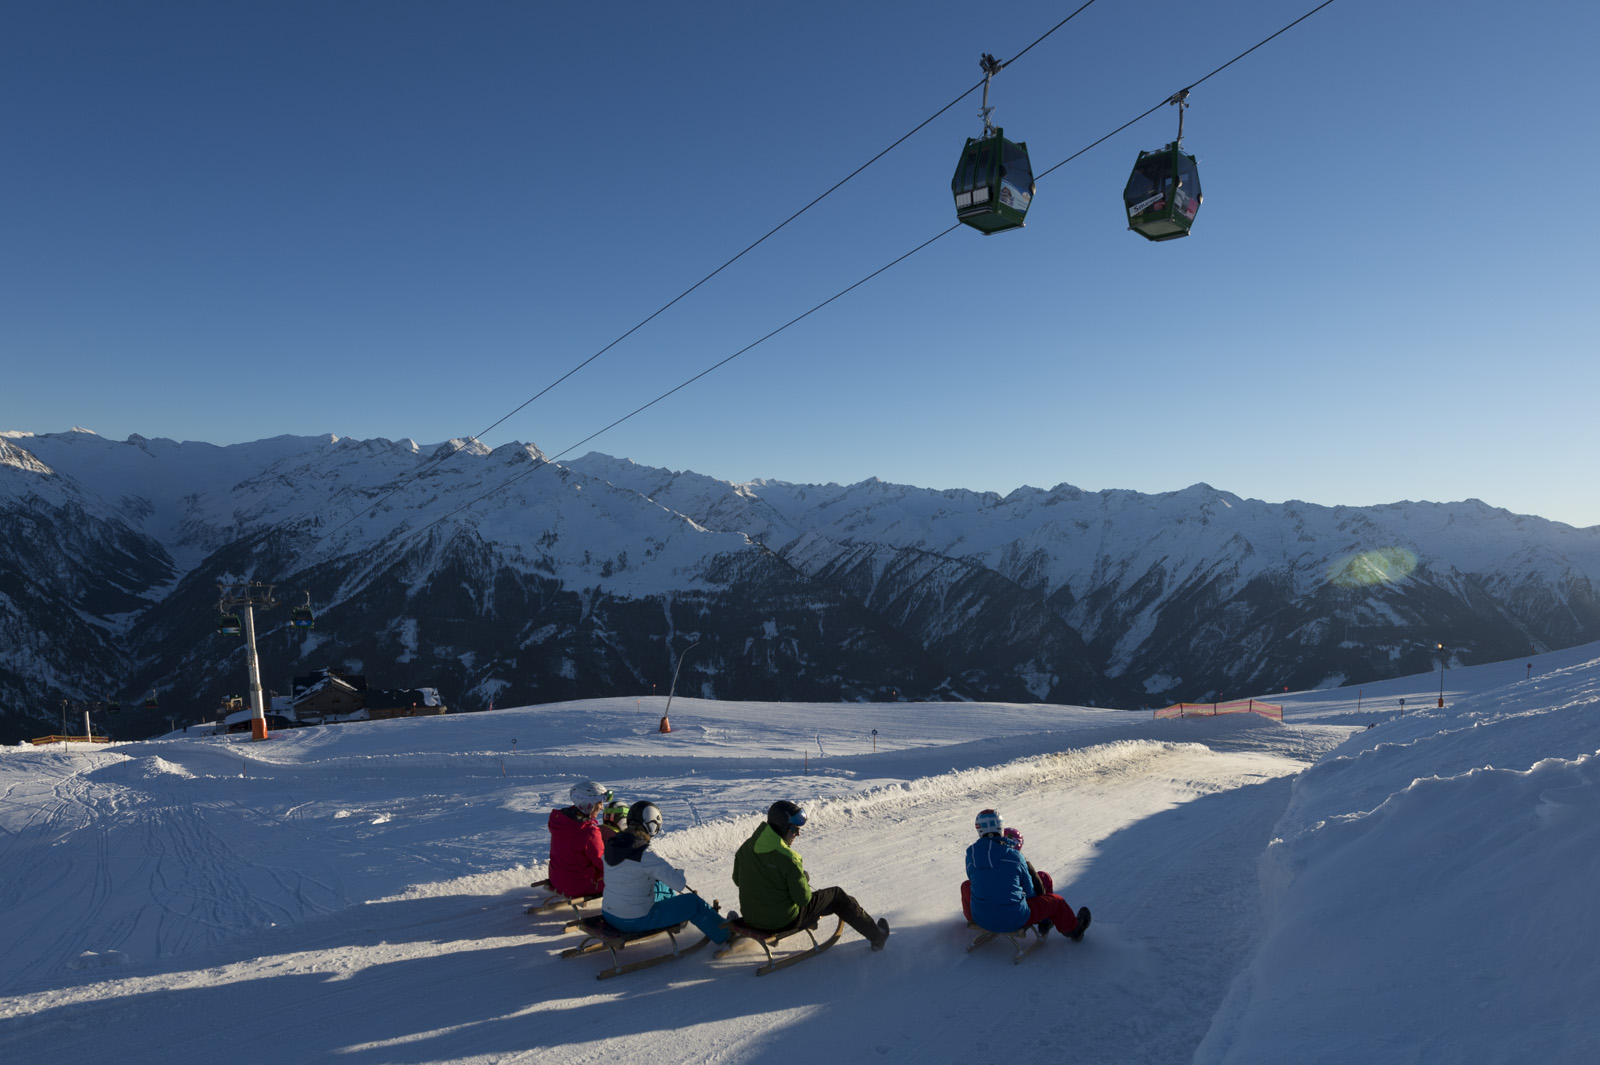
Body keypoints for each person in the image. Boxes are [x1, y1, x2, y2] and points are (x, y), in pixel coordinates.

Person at [731, 800, 890, 950]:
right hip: (782, 922)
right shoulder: (788, 858)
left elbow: (737, 880)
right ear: (781, 827)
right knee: (837, 896)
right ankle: (877, 936)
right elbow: (803, 899)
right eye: (794, 829)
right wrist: (803, 880)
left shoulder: (746, 847)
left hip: (751, 917)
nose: (798, 834)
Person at [601, 801, 730, 944]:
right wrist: (675, 872)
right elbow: (679, 884)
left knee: (662, 889)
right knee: (693, 902)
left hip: (609, 914)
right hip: (633, 921)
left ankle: (677, 915)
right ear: (651, 825)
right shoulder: (645, 854)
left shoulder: (612, 844)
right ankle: (727, 936)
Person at [963, 808, 1088, 940]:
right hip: (1014, 919)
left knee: (966, 885)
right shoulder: (1015, 857)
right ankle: (1074, 930)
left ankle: (972, 919)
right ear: (1001, 828)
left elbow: (974, 880)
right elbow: (1030, 892)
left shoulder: (971, 857)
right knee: (1057, 901)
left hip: (981, 918)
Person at [546, 780, 609, 898]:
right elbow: (603, 863)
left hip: (556, 879)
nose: (601, 807)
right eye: (599, 803)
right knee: (619, 876)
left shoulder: (560, 821)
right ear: (588, 804)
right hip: (579, 886)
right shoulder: (589, 832)